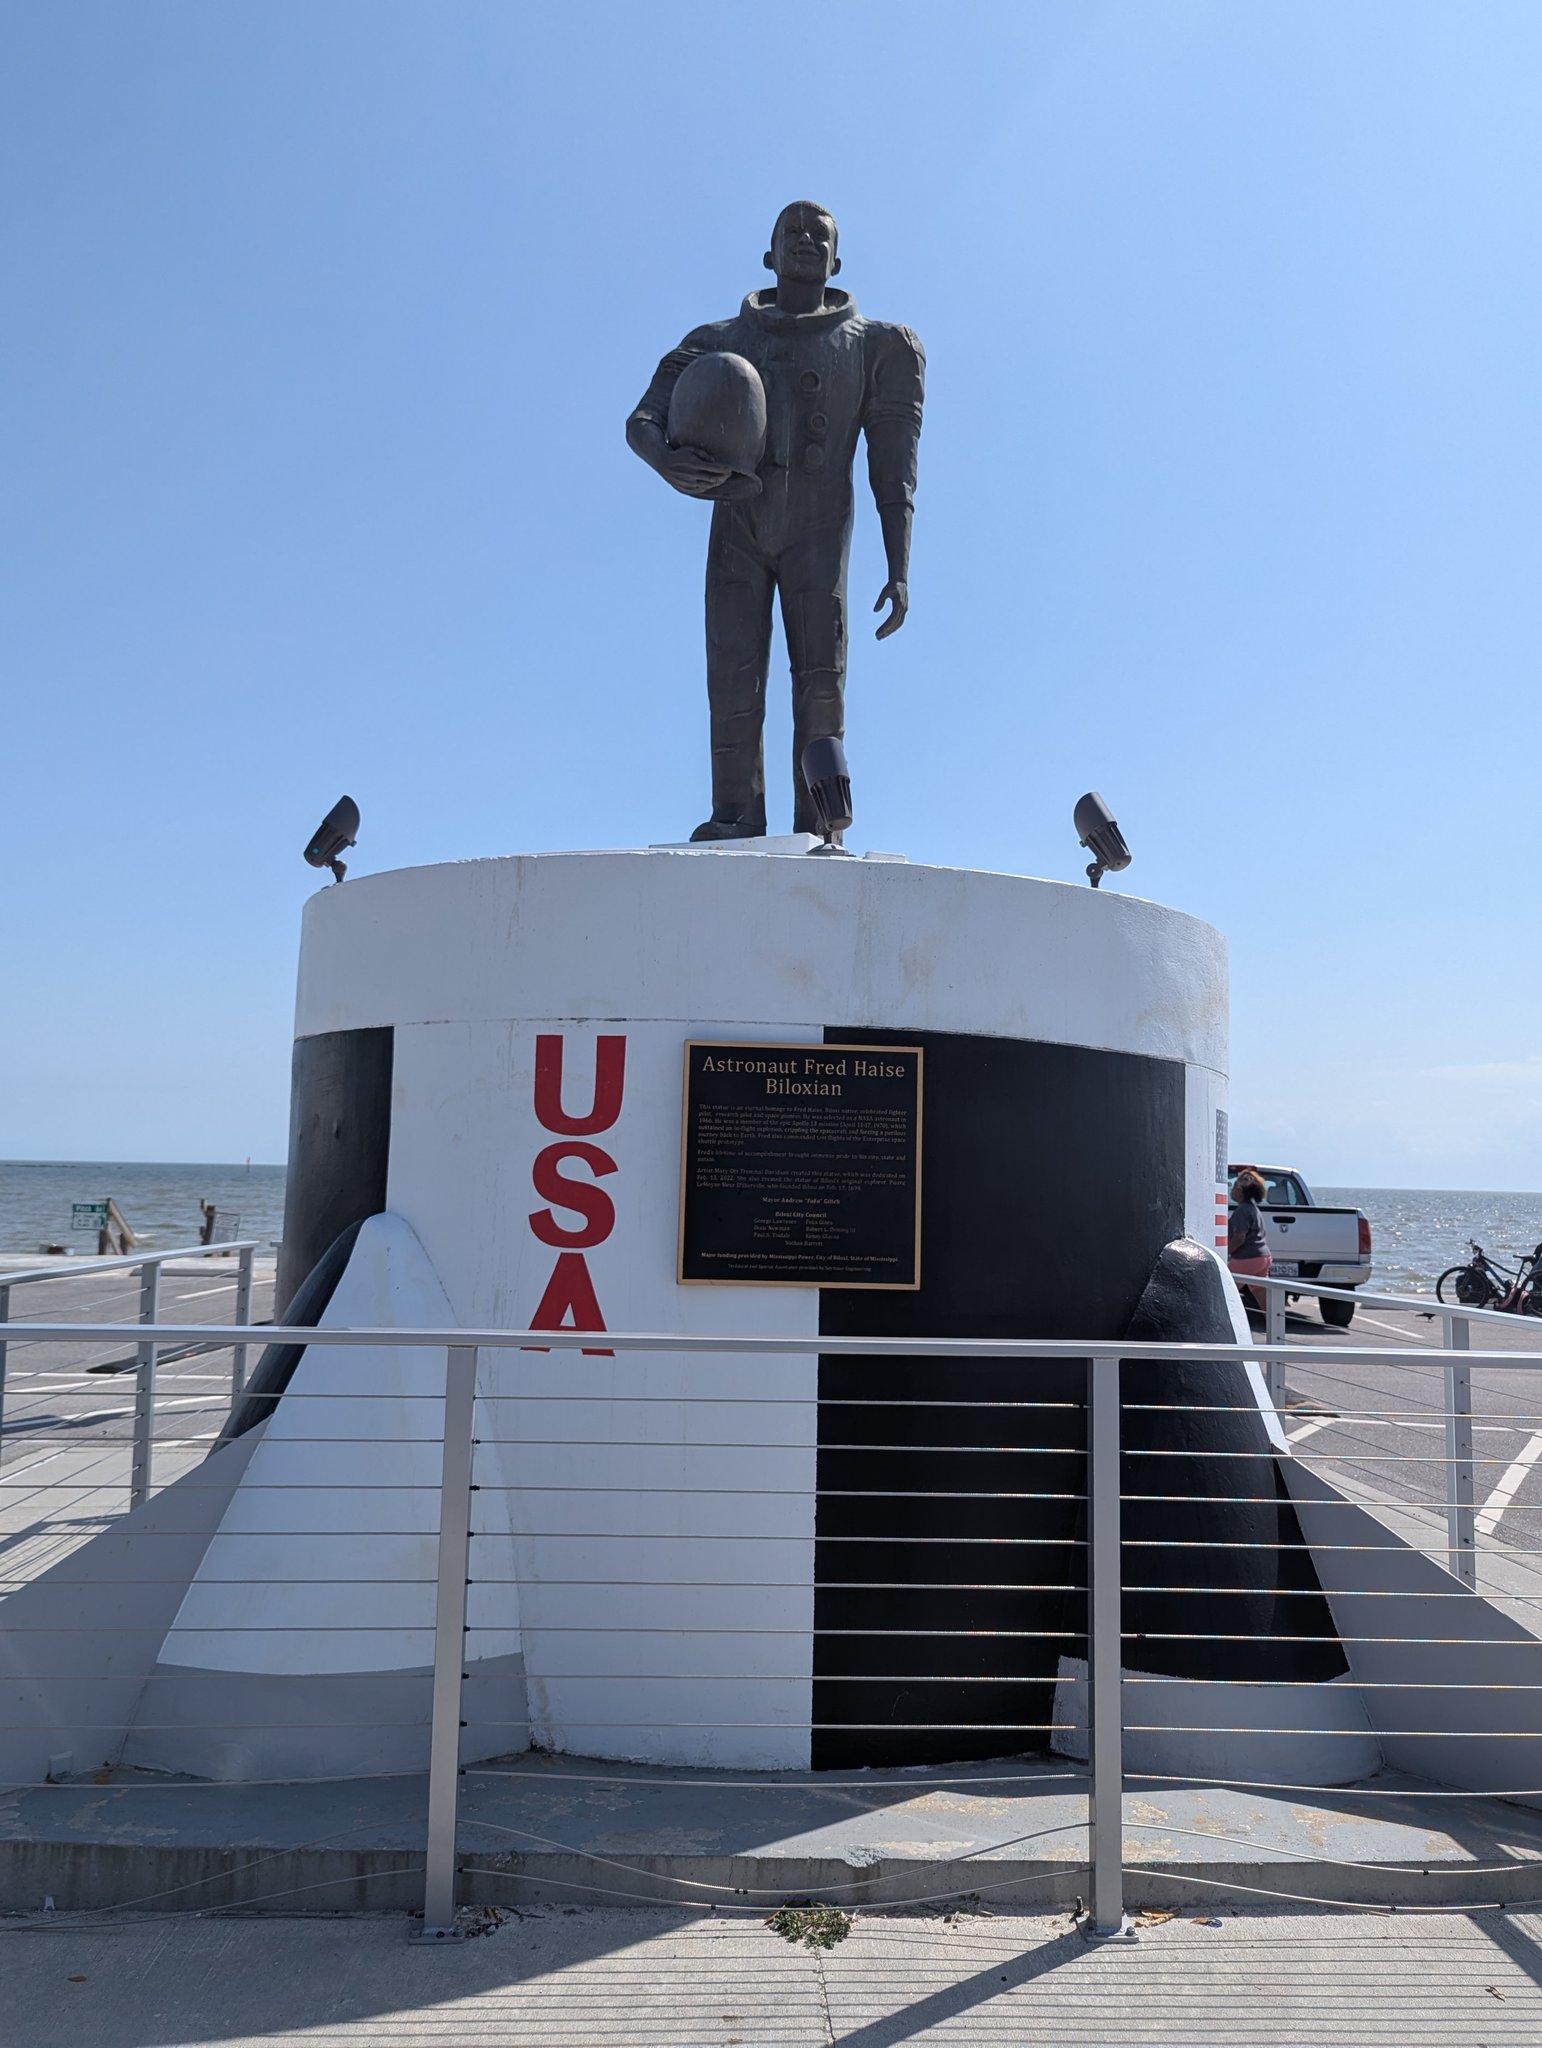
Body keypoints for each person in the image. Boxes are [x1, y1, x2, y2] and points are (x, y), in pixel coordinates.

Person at [626, 201, 924, 840]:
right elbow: (643, 420)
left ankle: (820, 820)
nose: (806, 241)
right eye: (792, 232)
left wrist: (900, 568)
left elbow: (892, 467)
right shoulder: (721, 341)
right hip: (738, 524)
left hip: (819, 532)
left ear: (837, 260)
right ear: (768, 255)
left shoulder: (875, 346)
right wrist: (667, 462)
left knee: (821, 680)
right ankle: (735, 814)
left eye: (820, 235)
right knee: (732, 673)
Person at [1228, 1167, 1273, 1314]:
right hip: (1263, 1257)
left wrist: (1225, 1253)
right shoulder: (1253, 1209)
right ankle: (1276, 1327)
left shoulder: (1241, 1211)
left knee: (1223, 1289)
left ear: (1240, 1190)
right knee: (1262, 1295)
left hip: (1247, 1258)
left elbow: (1239, 1238)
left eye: (1234, 1186)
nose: (1231, 1190)